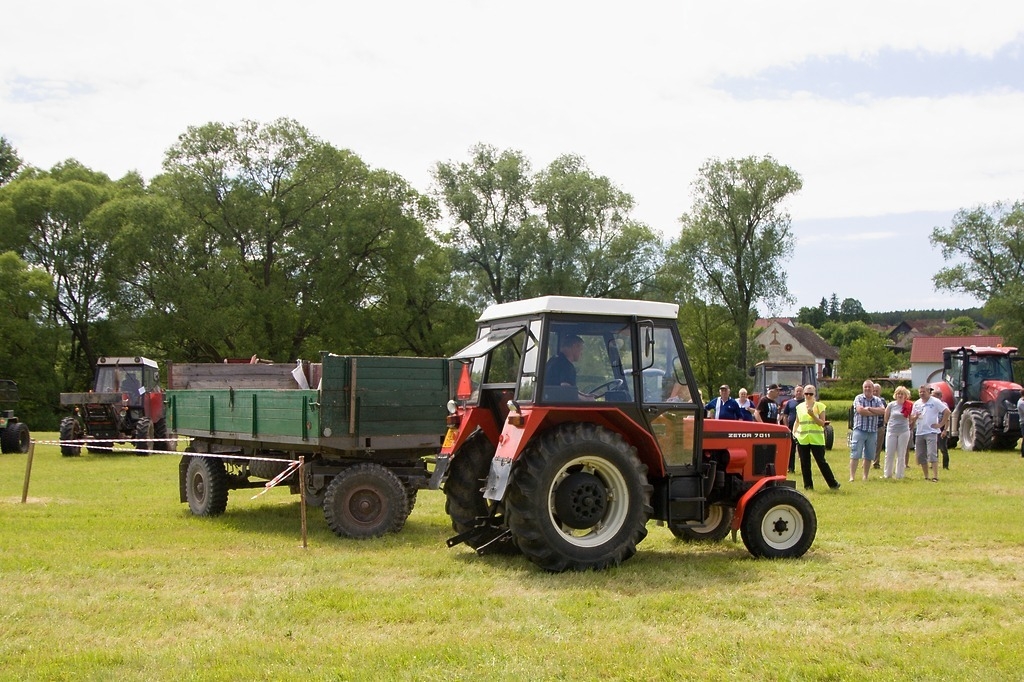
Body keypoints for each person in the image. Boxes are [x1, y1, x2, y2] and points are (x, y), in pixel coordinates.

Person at [794, 384, 841, 490]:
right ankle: (808, 486)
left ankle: (833, 484)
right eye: (806, 393)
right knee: (804, 463)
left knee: (821, 462)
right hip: (803, 438)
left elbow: (822, 423)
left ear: (814, 394)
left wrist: (812, 415)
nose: (808, 396)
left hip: (816, 439)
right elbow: (797, 421)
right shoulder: (799, 407)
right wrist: (794, 433)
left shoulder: (820, 406)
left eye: (810, 394)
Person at [910, 385, 950, 482]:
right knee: (920, 455)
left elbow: (947, 411)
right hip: (919, 432)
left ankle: (935, 476)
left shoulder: (935, 401)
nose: (922, 394)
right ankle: (926, 476)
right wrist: (915, 417)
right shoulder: (917, 403)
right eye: (920, 392)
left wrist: (941, 424)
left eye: (924, 392)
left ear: (929, 392)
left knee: (932, 454)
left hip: (931, 431)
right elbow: (912, 418)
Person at [850, 380, 886, 482]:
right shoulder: (859, 398)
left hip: (872, 431)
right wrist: (875, 412)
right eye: (865, 387)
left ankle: (865, 476)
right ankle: (852, 477)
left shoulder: (877, 400)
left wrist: (869, 409)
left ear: (873, 388)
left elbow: (883, 411)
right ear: (863, 388)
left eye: (869, 387)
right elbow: (860, 410)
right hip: (859, 430)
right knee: (855, 454)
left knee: (869, 455)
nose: (867, 389)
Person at [544, 335, 594, 400]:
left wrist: (584, 395)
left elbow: (570, 388)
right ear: (574, 347)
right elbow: (567, 392)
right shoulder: (566, 366)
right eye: (581, 349)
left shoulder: (553, 361)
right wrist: (587, 400)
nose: (581, 353)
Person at [882, 386, 913, 480]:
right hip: (892, 431)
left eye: (902, 394)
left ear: (905, 396)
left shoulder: (909, 405)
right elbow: (886, 417)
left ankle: (899, 475)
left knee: (901, 453)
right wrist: (890, 425)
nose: (900, 395)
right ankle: (887, 474)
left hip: (904, 431)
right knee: (889, 453)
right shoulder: (891, 405)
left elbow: (911, 418)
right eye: (898, 393)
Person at [780, 385, 804, 474]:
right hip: (791, 429)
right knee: (791, 449)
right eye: (797, 391)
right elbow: (785, 416)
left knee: (802, 450)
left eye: (800, 391)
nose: (798, 393)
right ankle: (790, 468)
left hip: (803, 429)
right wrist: (786, 427)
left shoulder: (805, 402)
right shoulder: (789, 403)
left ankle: (804, 468)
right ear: (794, 392)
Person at [933, 387, 950, 470]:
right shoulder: (932, 405)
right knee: (934, 448)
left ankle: (945, 466)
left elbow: (947, 419)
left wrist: (945, 430)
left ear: (939, 396)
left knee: (943, 448)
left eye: (934, 396)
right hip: (933, 428)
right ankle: (934, 464)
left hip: (941, 428)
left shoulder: (944, 405)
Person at [872, 383, 886, 469]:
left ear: (880, 391)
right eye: (874, 391)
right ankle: (866, 461)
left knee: (878, 446)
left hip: (880, 426)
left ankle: (876, 462)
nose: (875, 392)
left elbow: (885, 412)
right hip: (870, 426)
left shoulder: (882, 401)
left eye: (877, 391)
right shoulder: (868, 400)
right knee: (868, 445)